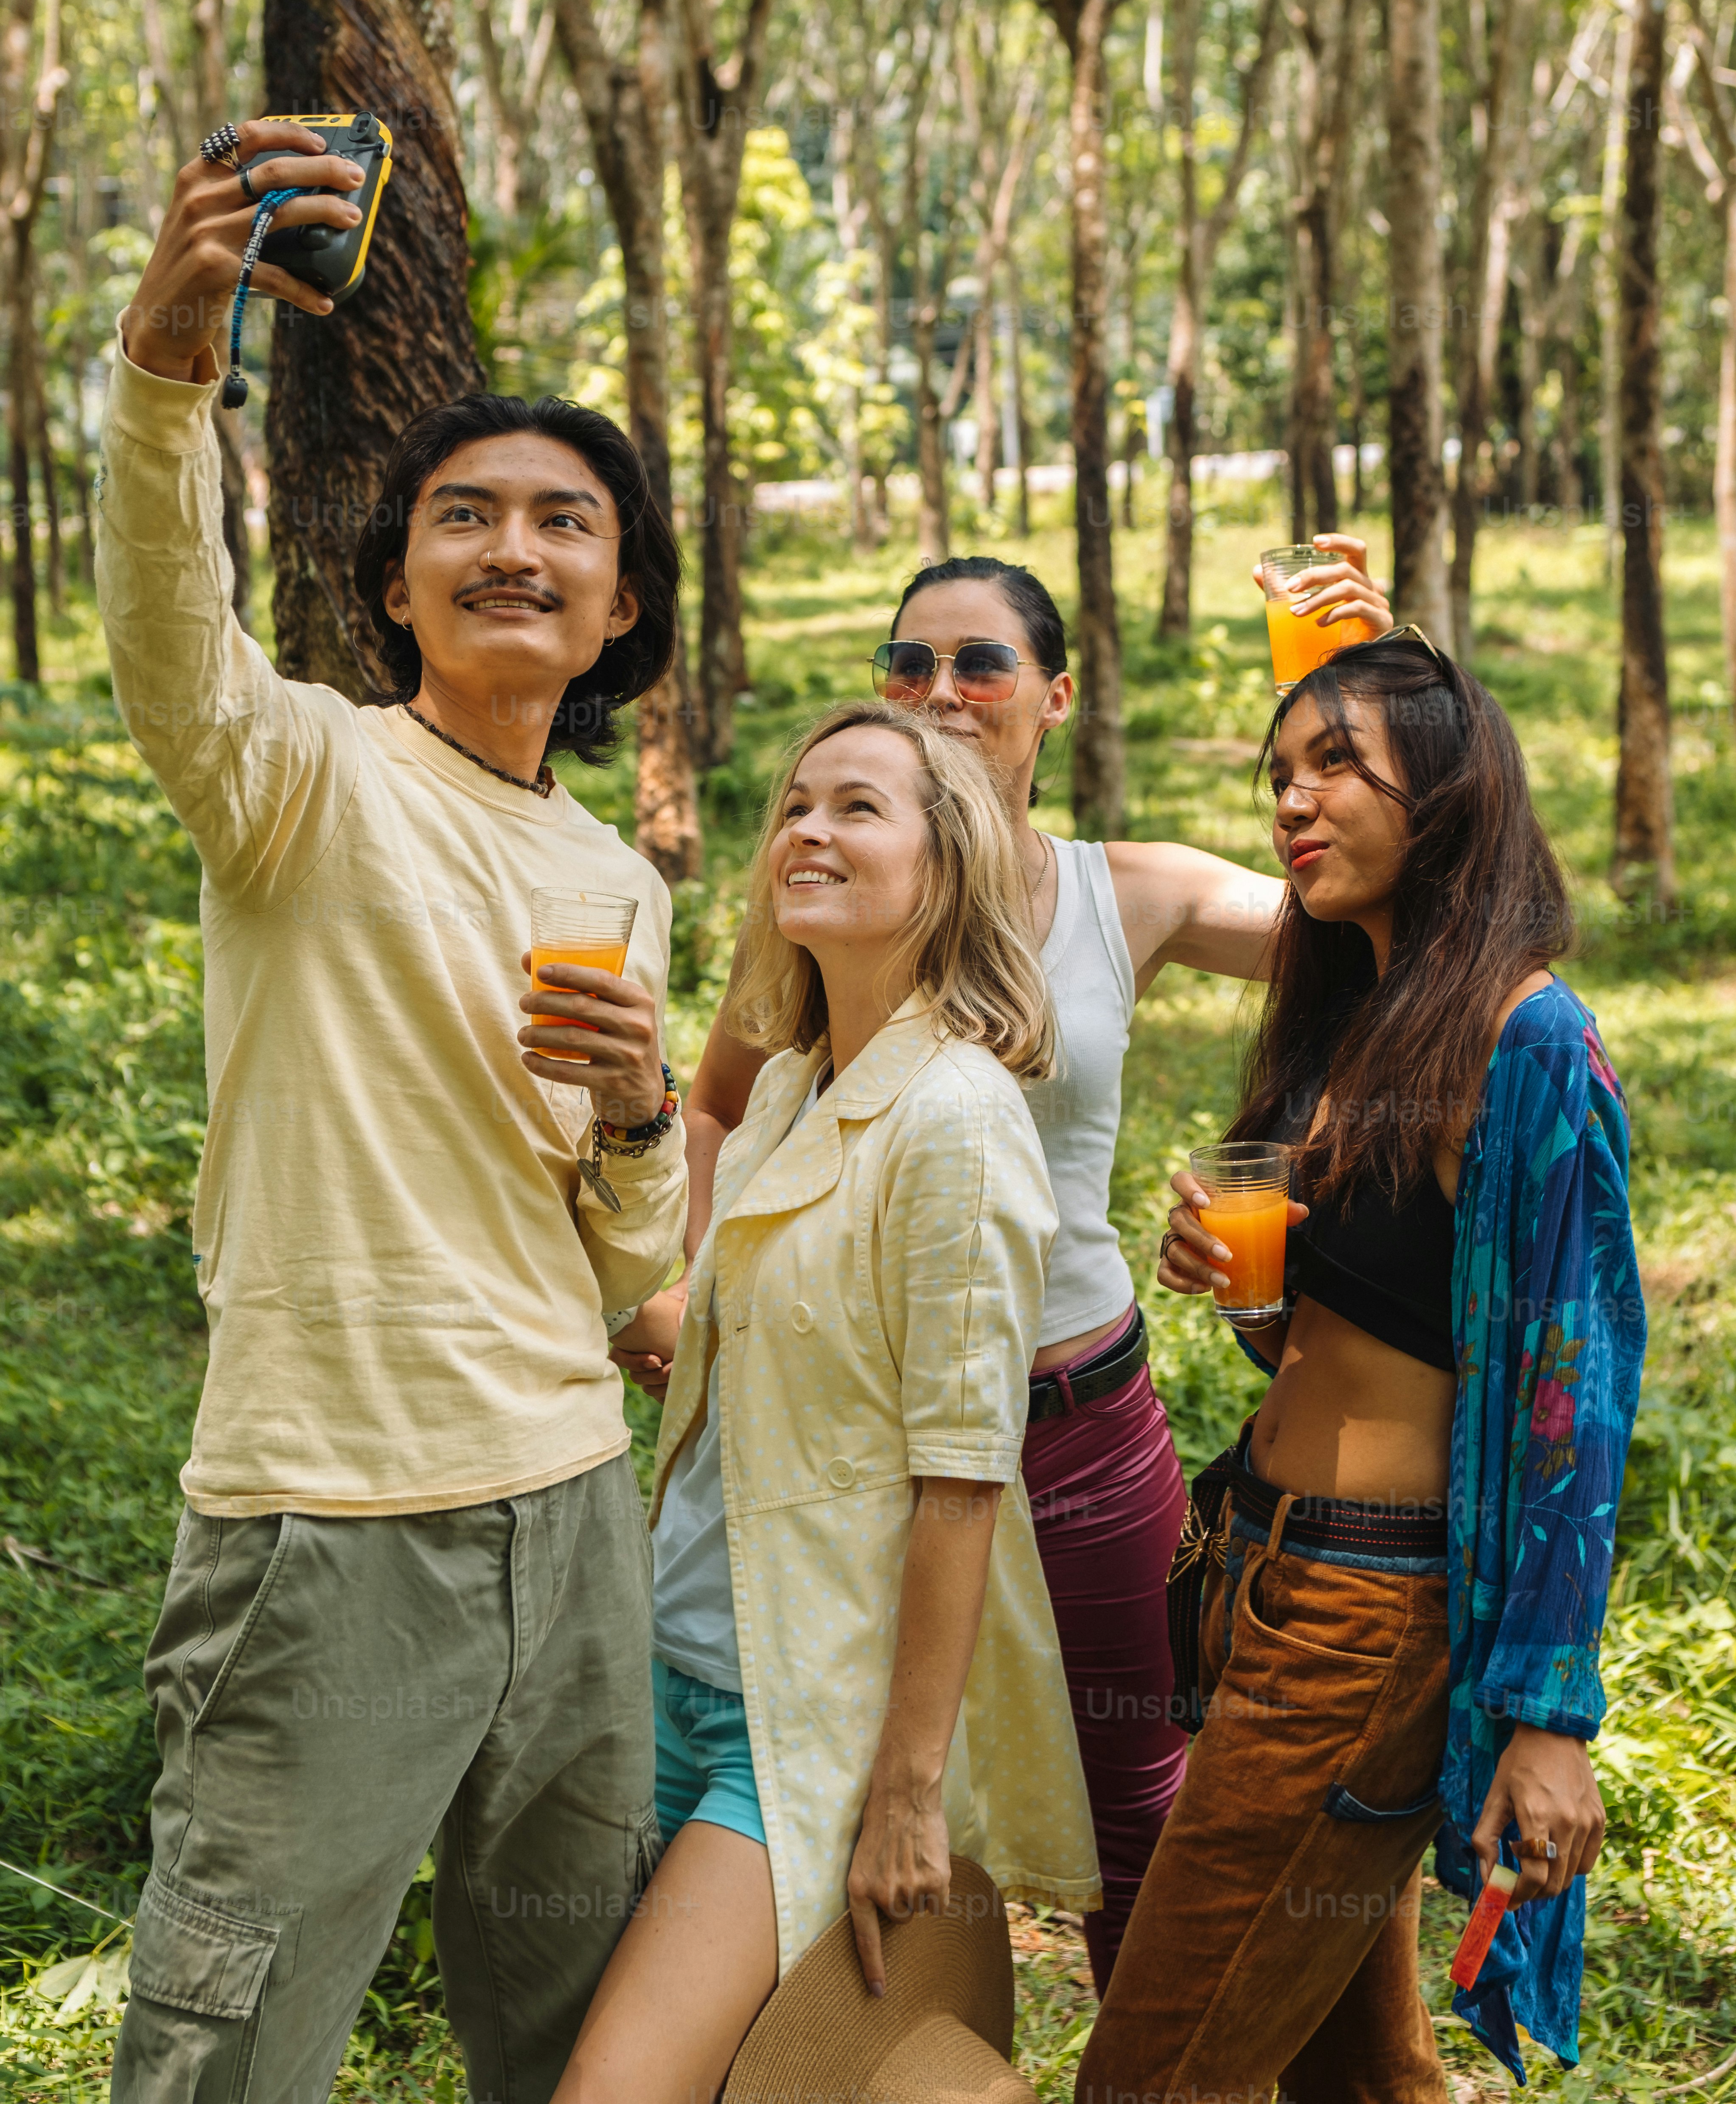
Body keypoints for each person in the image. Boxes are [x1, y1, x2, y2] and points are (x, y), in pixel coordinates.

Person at [101, 121, 689, 2104]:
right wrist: (171, 357)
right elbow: (169, 629)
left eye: (562, 522)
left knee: (572, 2019)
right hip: (329, 1521)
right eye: (464, 516)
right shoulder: (303, 779)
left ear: (618, 607)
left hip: (573, 1504)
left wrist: (638, 1119)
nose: (514, 545)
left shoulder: (616, 882)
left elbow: (620, 1263)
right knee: (232, 2037)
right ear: (395, 584)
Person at [617, 541, 1391, 1984]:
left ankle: (1149, 2073)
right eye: (908, 664)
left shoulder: (1126, 893)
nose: (940, 690)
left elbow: (1379, 913)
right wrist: (703, 1287)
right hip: (850, 1439)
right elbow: (718, 1103)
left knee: (1132, 1811)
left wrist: (1369, 693)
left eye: (982, 664)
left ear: (1056, 697)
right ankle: (867, 2046)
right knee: (816, 1778)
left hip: (1068, 1431)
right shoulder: (828, 883)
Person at [1079, 632, 1645, 2101]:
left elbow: (1573, 1406)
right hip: (1259, 1577)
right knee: (1361, 2078)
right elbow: (1350, 1339)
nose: (1293, 799)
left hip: (1365, 1620)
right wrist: (1246, 1294)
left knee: (1148, 2075)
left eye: (1338, 763)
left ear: (1446, 790)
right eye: (1281, 771)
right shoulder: (1352, 1013)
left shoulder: (1528, 1041)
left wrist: (1550, 1719)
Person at [552, 700, 1099, 2104]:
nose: (809, 828)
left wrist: (907, 1789)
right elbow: (755, 1340)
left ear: (947, 863)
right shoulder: (794, 1086)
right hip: (671, 1668)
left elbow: (962, 1479)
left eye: (860, 807)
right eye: (797, 805)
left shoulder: (958, 1116)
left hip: (802, 1715)